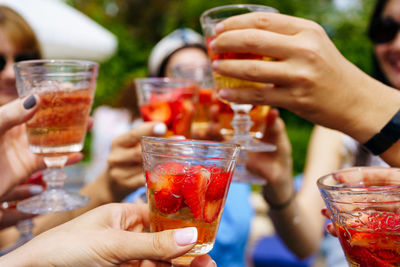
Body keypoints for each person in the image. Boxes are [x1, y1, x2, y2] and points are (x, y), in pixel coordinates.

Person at [210, 10, 400, 167]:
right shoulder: (338, 125)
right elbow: (310, 212)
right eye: (386, 29)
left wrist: (358, 100)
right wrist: (279, 188)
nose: (398, 45)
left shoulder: (348, 115)